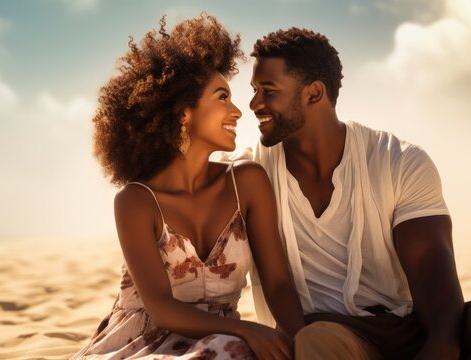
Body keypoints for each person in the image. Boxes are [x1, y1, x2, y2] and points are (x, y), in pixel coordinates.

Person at [224, 27, 471, 359]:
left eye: (268, 90)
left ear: (313, 93)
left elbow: (430, 264)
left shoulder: (399, 159)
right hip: (332, 338)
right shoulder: (249, 172)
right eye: (254, 89)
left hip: (411, 326)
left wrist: (442, 343)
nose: (253, 103)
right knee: (315, 342)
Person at [72, 15, 304, 360]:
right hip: (141, 344)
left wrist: (307, 343)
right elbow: (161, 308)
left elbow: (278, 284)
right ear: (183, 113)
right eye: (222, 97)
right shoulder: (136, 201)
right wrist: (246, 328)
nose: (238, 111)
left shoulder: (248, 182)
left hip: (222, 346)